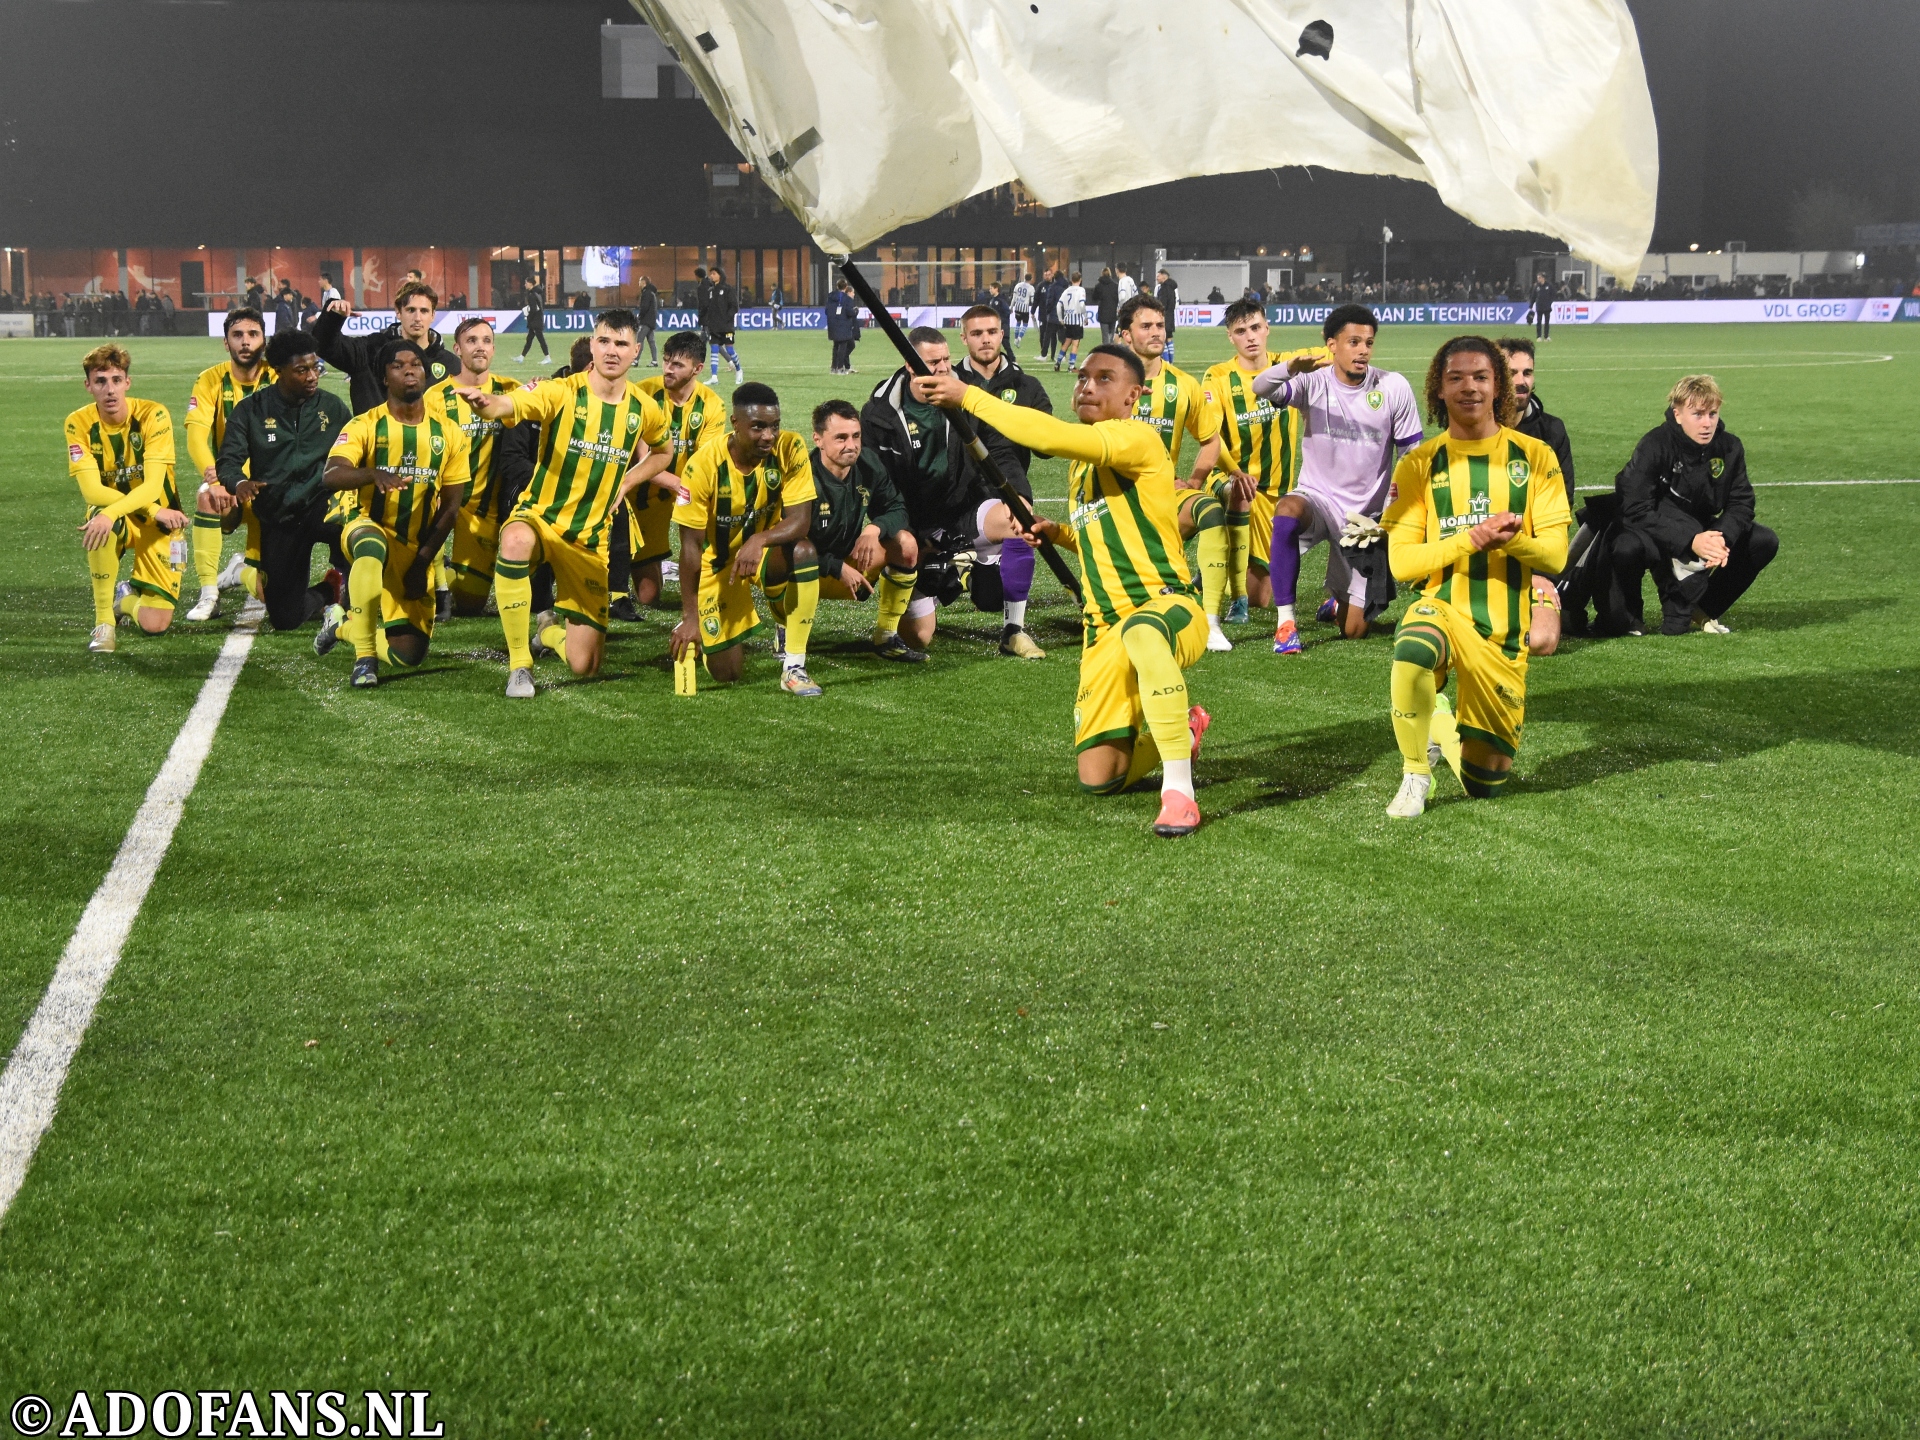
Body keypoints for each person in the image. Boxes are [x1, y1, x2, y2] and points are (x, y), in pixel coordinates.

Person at [912, 347, 1214, 839]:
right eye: (1082, 377)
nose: (1087, 386)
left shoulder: (1136, 437)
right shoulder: (1084, 468)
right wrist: (1059, 534)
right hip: (1102, 629)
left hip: (1165, 605)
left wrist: (967, 396)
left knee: (1142, 632)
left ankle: (1178, 793)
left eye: (1104, 378)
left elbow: (1049, 434)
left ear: (1133, 395)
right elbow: (1107, 534)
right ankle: (1185, 727)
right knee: (1100, 780)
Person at [1381, 336, 1569, 818]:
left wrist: (1510, 542)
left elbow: (1555, 557)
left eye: (1481, 377)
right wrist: (1472, 539)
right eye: (1456, 378)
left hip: (1503, 633)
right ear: (1438, 390)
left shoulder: (1537, 457)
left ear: (1499, 386)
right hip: (1443, 606)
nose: (1469, 388)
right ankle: (1414, 774)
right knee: (1413, 650)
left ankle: (1441, 725)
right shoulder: (1420, 464)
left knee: (1484, 785)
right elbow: (1401, 564)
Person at [455, 310, 672, 696]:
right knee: (516, 540)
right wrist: (486, 404)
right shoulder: (561, 391)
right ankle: (520, 664)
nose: (611, 351)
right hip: (541, 516)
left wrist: (626, 482)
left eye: (621, 344)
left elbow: (662, 452)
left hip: (589, 539)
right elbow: (507, 407)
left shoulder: (645, 408)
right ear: (592, 344)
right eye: (604, 341)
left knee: (584, 665)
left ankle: (548, 633)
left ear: (635, 352)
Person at [1252, 304, 1424, 653]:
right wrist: (1288, 368)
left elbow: (1411, 455)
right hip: (1318, 500)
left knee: (1354, 631)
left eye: (1369, 343)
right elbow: (1261, 387)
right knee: (1287, 508)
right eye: (1354, 342)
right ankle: (1286, 624)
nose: (1363, 350)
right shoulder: (1312, 382)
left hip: (1364, 520)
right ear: (1332, 344)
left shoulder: (1393, 386)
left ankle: (1338, 599)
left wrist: (1392, 513)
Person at [862, 327, 1041, 659]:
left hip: (963, 509)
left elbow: (1000, 449)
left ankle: (1013, 630)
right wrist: (914, 536)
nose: (944, 368)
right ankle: (945, 571)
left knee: (1018, 521)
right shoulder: (879, 413)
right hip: (913, 522)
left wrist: (1019, 497)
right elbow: (880, 488)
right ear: (910, 365)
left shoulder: (968, 392)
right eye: (933, 362)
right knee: (918, 638)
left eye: (946, 359)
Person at [317, 339, 471, 687]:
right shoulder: (365, 424)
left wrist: (422, 563)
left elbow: (450, 508)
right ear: (384, 377)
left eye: (415, 364)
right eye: (398, 365)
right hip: (366, 524)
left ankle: (340, 626)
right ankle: (365, 660)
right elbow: (332, 475)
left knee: (408, 656)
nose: (409, 371)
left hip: (414, 546)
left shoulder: (448, 433)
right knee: (371, 547)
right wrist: (372, 473)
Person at [670, 382, 822, 696]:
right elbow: (690, 548)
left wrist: (759, 541)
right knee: (728, 673)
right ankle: (724, 625)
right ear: (735, 424)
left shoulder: (789, 447)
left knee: (804, 551)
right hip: (719, 567)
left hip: (763, 553)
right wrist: (690, 616)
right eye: (758, 427)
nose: (769, 436)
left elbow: (800, 521)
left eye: (774, 426)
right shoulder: (701, 467)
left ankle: (794, 665)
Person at [1613, 374, 1777, 636]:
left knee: (1764, 541)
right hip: (1655, 529)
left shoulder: (1730, 447)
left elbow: (1741, 502)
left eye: (1712, 413)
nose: (1707, 423)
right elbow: (1634, 508)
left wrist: (1720, 539)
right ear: (1677, 414)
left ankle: (1701, 607)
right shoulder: (1654, 445)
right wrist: (1690, 539)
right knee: (1625, 546)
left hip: (1702, 530)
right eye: (1698, 414)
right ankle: (1629, 616)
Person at [1114, 293, 1231, 649]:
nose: (1155, 333)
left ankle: (1210, 621)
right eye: (1145, 326)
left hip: (1166, 494)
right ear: (1125, 335)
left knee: (1210, 510)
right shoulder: (1109, 380)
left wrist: (1194, 480)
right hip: (1117, 497)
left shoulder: (1184, 385)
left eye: (1160, 325)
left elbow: (1210, 441)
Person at [217, 330, 353, 632]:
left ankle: (355, 589)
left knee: (357, 527)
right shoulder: (251, 410)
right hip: (279, 516)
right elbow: (228, 461)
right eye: (301, 370)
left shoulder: (332, 409)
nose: (312, 376)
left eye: (314, 367)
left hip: (323, 505)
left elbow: (357, 453)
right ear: (278, 371)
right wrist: (238, 483)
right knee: (285, 618)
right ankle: (329, 590)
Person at [1203, 300, 1324, 628]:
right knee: (1237, 491)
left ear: (1267, 328)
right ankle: (1231, 585)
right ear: (1231, 337)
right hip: (1234, 480)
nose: (1250, 337)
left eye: (1255, 327)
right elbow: (1210, 434)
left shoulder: (1288, 365)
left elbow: (1336, 349)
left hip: (1278, 492)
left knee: (1263, 599)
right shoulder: (1218, 377)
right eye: (1241, 331)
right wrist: (1233, 473)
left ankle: (1218, 563)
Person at [66, 343, 188, 651]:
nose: (109, 390)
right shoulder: (77, 423)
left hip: (164, 522)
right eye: (100, 381)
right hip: (134, 515)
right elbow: (92, 491)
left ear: (127, 383)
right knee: (99, 521)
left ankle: (126, 600)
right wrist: (111, 513)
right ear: (88, 386)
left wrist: (147, 510)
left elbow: (152, 485)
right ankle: (104, 622)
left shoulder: (153, 415)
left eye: (116, 380)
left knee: (155, 624)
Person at [954, 303, 1054, 658]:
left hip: (1002, 494)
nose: (985, 340)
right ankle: (956, 568)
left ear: (1001, 335)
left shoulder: (1026, 386)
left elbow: (1047, 447)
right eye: (976, 333)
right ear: (963, 337)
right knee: (921, 632)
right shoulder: (948, 381)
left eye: (992, 332)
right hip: (952, 499)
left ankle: (1013, 630)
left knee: (990, 599)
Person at [432, 316, 534, 618]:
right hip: (442, 502)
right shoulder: (436, 397)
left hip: (482, 510)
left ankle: (446, 571)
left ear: (493, 349)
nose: (480, 347)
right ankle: (434, 570)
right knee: (413, 592)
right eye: (472, 341)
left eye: (486, 341)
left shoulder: (511, 390)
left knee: (470, 605)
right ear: (457, 350)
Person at [807, 399, 923, 661]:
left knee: (905, 544)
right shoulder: (804, 475)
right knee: (785, 558)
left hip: (851, 563)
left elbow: (897, 508)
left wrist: (873, 529)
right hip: (807, 570)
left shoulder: (868, 464)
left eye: (856, 436)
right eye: (841, 438)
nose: (851, 445)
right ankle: (784, 633)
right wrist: (835, 567)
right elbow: (790, 545)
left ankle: (887, 636)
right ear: (818, 439)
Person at [621, 330, 725, 617]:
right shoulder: (643, 393)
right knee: (649, 597)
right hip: (643, 494)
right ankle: (627, 560)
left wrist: (689, 491)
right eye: (666, 361)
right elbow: (644, 459)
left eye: (677, 364)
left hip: (682, 492)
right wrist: (681, 486)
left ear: (697, 369)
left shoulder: (712, 405)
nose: (667, 368)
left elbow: (706, 462)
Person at [183, 308, 273, 621]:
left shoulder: (277, 376)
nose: (245, 342)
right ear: (226, 343)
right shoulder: (210, 380)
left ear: (264, 339)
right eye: (237, 335)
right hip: (231, 485)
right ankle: (208, 593)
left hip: (271, 490)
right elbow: (196, 438)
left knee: (271, 597)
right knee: (206, 495)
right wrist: (219, 479)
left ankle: (240, 571)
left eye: (253, 334)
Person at [1495, 337, 1576, 654]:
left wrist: (1540, 574)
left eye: (1527, 372)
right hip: (1481, 558)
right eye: (1511, 372)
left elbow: (1561, 508)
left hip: (1533, 559)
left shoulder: (1552, 432)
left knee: (1542, 641)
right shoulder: (1473, 427)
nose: (1520, 381)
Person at [314, 280, 461, 414]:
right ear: (398, 312)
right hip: (376, 441)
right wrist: (333, 319)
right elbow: (324, 346)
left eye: (424, 311)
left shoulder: (450, 364)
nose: (417, 318)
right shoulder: (370, 349)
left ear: (433, 315)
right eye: (411, 310)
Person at [701, 272, 743, 384]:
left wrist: (726, 318)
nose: (711, 276)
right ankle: (714, 377)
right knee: (714, 349)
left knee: (729, 349)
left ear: (720, 275)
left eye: (714, 274)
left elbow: (734, 306)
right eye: (711, 274)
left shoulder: (728, 289)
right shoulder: (710, 291)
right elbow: (708, 308)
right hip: (714, 326)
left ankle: (739, 370)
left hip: (726, 326)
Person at [826, 278, 861, 374]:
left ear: (837, 286)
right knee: (842, 346)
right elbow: (849, 312)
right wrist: (855, 311)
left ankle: (833, 368)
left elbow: (826, 311)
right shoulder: (847, 299)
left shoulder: (830, 296)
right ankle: (840, 368)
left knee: (836, 345)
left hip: (833, 325)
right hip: (843, 325)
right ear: (845, 287)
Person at [1054, 273, 1087, 372]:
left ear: (1071, 280)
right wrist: (1085, 317)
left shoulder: (1066, 290)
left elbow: (1058, 305)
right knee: (1075, 343)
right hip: (1076, 321)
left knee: (1067, 341)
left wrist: (1060, 318)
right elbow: (1081, 304)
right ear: (1080, 280)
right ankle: (1071, 366)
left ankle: (1058, 362)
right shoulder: (1081, 290)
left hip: (1068, 320)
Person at [519, 275, 549, 363]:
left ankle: (547, 357)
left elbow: (534, 309)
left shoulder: (532, 294)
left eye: (526, 283)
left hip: (535, 321)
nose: (525, 285)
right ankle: (521, 357)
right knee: (529, 339)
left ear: (530, 284)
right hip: (536, 320)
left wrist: (528, 316)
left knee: (540, 339)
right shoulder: (537, 293)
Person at [1155, 268, 1180, 363]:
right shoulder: (1172, 288)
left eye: (1158, 276)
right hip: (1170, 316)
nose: (1157, 278)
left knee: (1162, 339)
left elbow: (1162, 304)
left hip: (1163, 317)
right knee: (1169, 338)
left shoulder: (1164, 289)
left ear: (1164, 276)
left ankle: (1166, 362)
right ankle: (1171, 362)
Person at [636, 275, 660, 365]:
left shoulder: (646, 293)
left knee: (639, 340)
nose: (638, 283)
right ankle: (654, 361)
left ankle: (635, 360)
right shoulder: (652, 293)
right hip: (651, 321)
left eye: (640, 281)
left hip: (646, 321)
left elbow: (644, 308)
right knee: (651, 341)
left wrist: (640, 317)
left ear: (643, 282)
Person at [1092, 267, 1120, 344]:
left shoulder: (1098, 286)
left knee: (1105, 336)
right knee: (1111, 335)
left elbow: (1094, 298)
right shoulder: (1115, 286)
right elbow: (1118, 299)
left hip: (1103, 313)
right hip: (1113, 313)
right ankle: (1111, 351)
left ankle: (1105, 352)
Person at [1009, 272, 1035, 348]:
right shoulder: (1031, 288)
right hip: (1025, 308)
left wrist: (1011, 307)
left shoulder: (1018, 285)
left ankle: (1015, 339)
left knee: (1018, 322)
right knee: (1025, 324)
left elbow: (1014, 297)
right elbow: (1033, 300)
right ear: (1031, 279)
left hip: (1017, 307)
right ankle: (1019, 339)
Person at [1531, 273, 1554, 341]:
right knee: (1539, 322)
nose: (1538, 279)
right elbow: (1533, 296)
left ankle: (1546, 336)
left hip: (1547, 307)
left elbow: (1553, 294)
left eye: (1539, 278)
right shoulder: (1536, 286)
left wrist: (1549, 302)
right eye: (1538, 278)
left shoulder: (1549, 285)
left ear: (1543, 278)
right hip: (1539, 306)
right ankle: (1539, 337)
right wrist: (1531, 305)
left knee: (1547, 322)